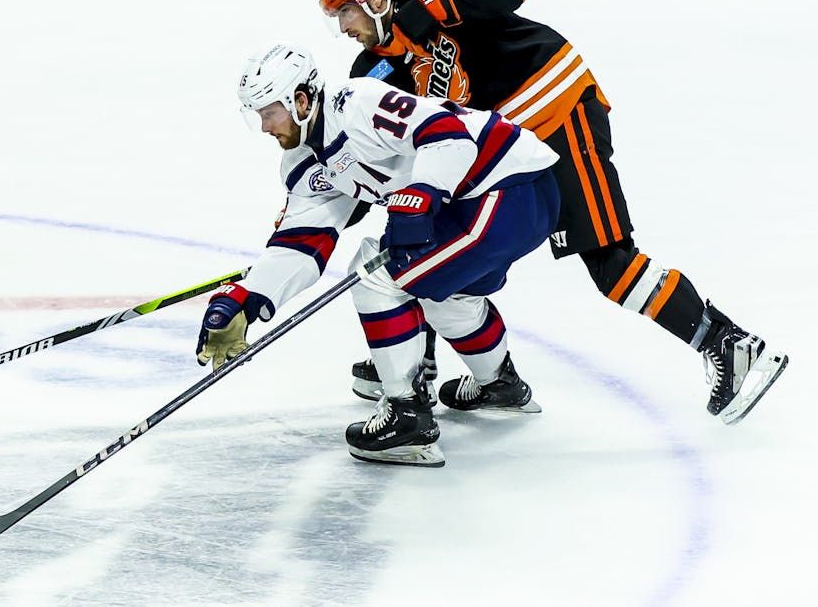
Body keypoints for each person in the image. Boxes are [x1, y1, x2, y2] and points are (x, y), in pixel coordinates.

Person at [317, 0, 788, 424]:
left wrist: (436, 5)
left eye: (346, 12)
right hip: (508, 159)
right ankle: (419, 358)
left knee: (611, 262)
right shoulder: (370, 73)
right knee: (423, 232)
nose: (342, 28)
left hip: (557, 113)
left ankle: (726, 343)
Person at [195, 42, 559, 466]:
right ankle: (499, 384)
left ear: (300, 99)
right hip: (493, 202)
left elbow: (444, 131)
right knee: (444, 295)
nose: (263, 127)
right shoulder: (303, 162)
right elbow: (302, 242)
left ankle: (407, 416)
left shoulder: (357, 103)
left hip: (505, 187)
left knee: (376, 276)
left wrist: (423, 193)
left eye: (268, 112)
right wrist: (249, 297)